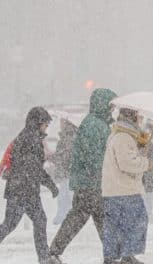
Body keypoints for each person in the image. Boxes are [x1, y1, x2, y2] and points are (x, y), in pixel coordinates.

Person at [0, 107, 59, 264]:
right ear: (37, 123)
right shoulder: (32, 139)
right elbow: (34, 168)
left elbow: (29, 167)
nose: (46, 128)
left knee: (12, 224)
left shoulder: (25, 137)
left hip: (19, 188)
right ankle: (44, 258)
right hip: (25, 190)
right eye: (45, 124)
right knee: (36, 221)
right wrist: (50, 184)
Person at [48, 88, 117, 261]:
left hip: (90, 182)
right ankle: (54, 252)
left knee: (94, 219)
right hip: (92, 183)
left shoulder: (97, 123)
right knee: (84, 218)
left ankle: (115, 256)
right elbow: (95, 156)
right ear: (103, 105)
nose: (112, 109)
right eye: (110, 105)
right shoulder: (95, 125)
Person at [102, 107, 151, 264]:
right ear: (133, 117)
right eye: (139, 116)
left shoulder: (118, 134)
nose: (141, 119)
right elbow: (127, 163)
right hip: (124, 189)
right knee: (137, 221)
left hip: (113, 190)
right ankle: (126, 256)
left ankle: (113, 257)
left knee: (115, 226)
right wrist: (145, 163)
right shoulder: (124, 137)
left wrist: (141, 148)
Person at [50, 119, 78, 226]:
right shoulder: (69, 136)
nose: (60, 124)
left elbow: (65, 155)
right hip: (68, 172)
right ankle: (63, 218)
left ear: (67, 123)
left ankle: (64, 218)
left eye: (62, 122)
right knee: (65, 197)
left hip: (67, 173)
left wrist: (53, 157)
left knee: (65, 197)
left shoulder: (68, 137)